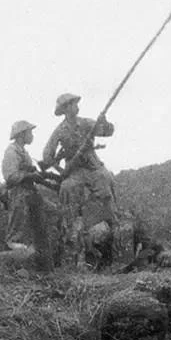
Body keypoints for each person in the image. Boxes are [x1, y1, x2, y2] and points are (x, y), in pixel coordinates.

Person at [40, 93, 117, 268]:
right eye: (73, 104)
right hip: (74, 171)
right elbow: (47, 155)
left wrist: (103, 122)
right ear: (66, 109)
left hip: (93, 166)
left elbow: (108, 132)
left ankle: (113, 226)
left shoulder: (87, 122)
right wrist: (60, 169)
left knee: (106, 179)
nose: (76, 106)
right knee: (67, 188)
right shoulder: (60, 130)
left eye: (75, 103)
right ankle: (71, 238)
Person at [1, 121, 49, 256]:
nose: (32, 135)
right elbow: (10, 176)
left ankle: (40, 247)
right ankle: (13, 242)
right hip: (18, 191)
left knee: (43, 215)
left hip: (29, 190)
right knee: (18, 216)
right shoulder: (12, 151)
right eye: (30, 132)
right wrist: (29, 175)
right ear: (22, 134)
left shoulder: (23, 152)